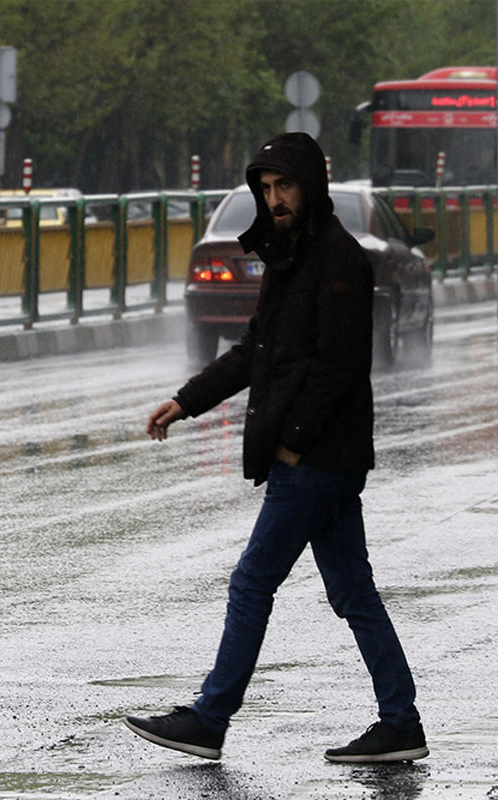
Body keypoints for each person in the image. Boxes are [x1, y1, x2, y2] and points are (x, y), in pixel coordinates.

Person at [124, 132, 426, 763]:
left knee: (252, 580)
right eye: (265, 189)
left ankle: (210, 719)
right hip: (324, 461)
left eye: (284, 185)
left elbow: (337, 367)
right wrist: (186, 401)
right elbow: (253, 351)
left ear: (309, 185)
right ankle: (400, 723)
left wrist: (290, 444)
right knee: (353, 593)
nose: (274, 198)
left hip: (316, 460)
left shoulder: (337, 259)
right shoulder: (290, 258)